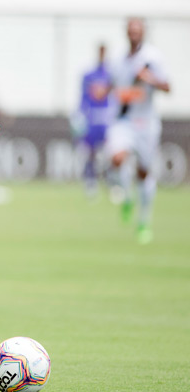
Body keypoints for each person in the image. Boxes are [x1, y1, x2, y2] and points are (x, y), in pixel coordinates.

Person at [105, 17, 170, 244]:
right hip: (123, 121)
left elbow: (168, 86)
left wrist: (149, 79)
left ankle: (143, 221)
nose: (133, 34)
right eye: (130, 30)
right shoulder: (119, 59)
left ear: (143, 32)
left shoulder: (152, 58)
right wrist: (103, 92)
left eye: (137, 30)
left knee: (143, 173)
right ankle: (126, 196)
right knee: (117, 157)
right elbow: (114, 85)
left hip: (146, 124)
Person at [72, 44, 113, 199]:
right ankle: (90, 182)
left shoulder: (111, 75)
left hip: (106, 118)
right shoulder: (89, 75)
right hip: (92, 118)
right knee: (90, 152)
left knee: (108, 153)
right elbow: (83, 98)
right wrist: (79, 115)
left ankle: (110, 183)